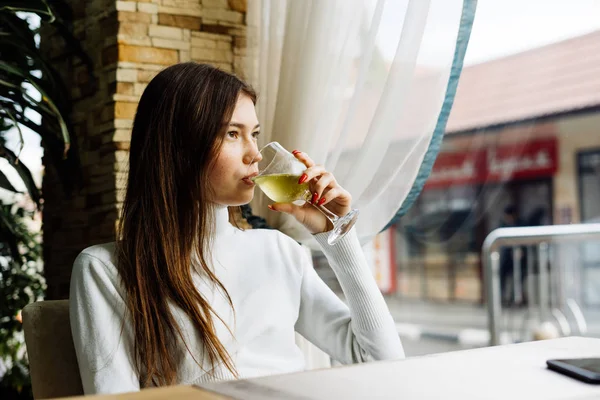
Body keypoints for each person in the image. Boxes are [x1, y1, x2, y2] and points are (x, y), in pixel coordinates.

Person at [69, 62, 404, 394]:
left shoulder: (280, 251)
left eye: (254, 134)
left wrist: (338, 235)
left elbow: (382, 361)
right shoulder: (106, 269)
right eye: (232, 134)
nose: (255, 155)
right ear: (177, 148)